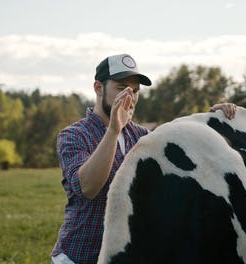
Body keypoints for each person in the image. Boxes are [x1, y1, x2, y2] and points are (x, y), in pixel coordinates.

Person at [51, 54, 236, 264]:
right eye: (121, 89)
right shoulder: (74, 135)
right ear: (98, 88)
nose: (130, 98)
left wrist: (210, 120)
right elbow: (88, 187)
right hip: (79, 255)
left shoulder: (141, 136)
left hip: (124, 256)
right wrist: (113, 130)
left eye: (135, 91)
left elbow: (180, 144)